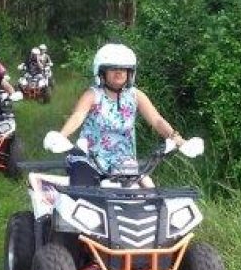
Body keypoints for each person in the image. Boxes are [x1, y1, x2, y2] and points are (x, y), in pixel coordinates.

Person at [45, 41, 185, 181]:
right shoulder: (93, 95)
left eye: (124, 69)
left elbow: (156, 120)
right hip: (91, 160)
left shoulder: (135, 95)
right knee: (88, 196)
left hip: (124, 162)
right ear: (102, 72)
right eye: (113, 69)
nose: (119, 72)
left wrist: (176, 138)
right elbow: (78, 116)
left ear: (130, 72)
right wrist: (61, 136)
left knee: (148, 190)